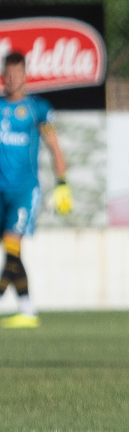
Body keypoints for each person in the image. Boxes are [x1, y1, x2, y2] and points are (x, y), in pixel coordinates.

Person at [0, 51, 71, 327]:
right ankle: (28, 309)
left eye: (18, 74)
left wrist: (62, 183)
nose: (12, 80)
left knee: (13, 246)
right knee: (12, 252)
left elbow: (54, 146)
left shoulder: (37, 108)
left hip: (24, 191)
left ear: (25, 76)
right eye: (8, 74)